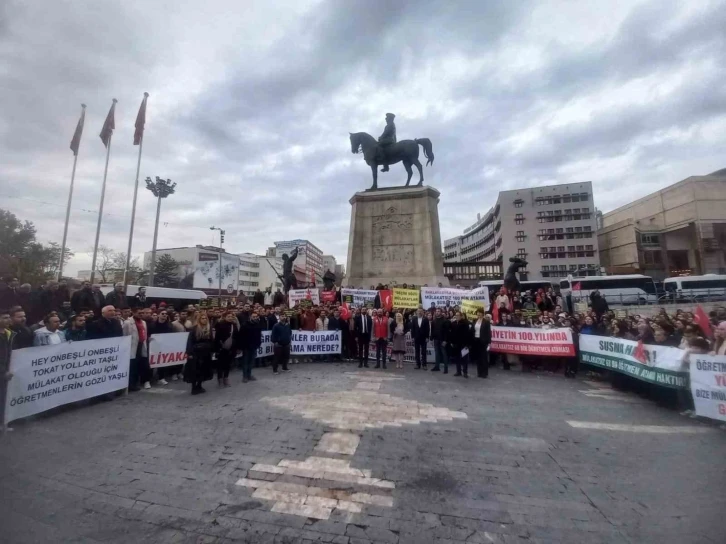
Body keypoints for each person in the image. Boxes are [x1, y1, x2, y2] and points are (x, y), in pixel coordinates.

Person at [184, 312, 214, 395]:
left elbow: (211, 340)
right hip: (195, 352)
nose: (204, 320)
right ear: (199, 319)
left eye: (205, 318)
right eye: (202, 318)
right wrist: (189, 353)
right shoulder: (194, 329)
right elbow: (190, 341)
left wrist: (211, 349)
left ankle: (200, 385)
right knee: (195, 370)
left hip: (205, 352)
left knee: (203, 369)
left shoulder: (208, 328)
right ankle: (194, 387)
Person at [123, 307, 151, 391]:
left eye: (142, 313)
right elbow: (125, 335)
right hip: (132, 346)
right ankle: (131, 385)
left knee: (140, 364)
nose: (141, 315)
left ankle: (136, 382)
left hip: (141, 344)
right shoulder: (128, 322)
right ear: (134, 313)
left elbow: (144, 333)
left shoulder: (144, 322)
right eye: (139, 313)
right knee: (132, 366)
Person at [214, 311, 238, 387]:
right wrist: (218, 348)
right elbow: (216, 338)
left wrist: (236, 347)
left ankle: (226, 378)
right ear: (224, 317)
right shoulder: (219, 325)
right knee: (220, 365)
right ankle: (220, 380)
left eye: (231, 317)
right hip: (222, 348)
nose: (230, 318)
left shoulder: (234, 325)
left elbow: (236, 336)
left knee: (228, 365)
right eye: (228, 316)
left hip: (231, 348)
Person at [1, 309, 16, 433]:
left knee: (3, 398)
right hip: (2, 372)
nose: (8, 320)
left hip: (6, 371)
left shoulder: (9, 333)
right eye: (4, 318)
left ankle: (3, 424)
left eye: (8, 317)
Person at [239, 310, 262, 383]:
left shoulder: (258, 324)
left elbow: (259, 336)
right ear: (250, 317)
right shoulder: (245, 325)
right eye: (253, 316)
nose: (255, 318)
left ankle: (249, 374)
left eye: (256, 317)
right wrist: (241, 346)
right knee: (245, 362)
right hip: (246, 346)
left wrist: (258, 344)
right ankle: (245, 376)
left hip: (254, 346)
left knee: (251, 361)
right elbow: (241, 336)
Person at [450, 311, 472, 378]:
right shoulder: (453, 323)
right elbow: (452, 334)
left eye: (458, 315)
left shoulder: (465, 323)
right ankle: (458, 371)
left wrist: (467, 344)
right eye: (456, 315)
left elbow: (468, 334)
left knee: (465, 359)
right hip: (456, 344)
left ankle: (465, 372)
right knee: (457, 358)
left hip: (464, 344)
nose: (457, 316)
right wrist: (452, 342)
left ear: (461, 316)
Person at [470, 309, 491, 378]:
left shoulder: (486, 322)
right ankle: (479, 372)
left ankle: (485, 373)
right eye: (477, 313)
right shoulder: (475, 321)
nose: (478, 314)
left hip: (483, 341)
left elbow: (488, 333)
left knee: (483, 357)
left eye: (480, 313)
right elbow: (472, 330)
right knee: (478, 357)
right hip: (476, 340)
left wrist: (489, 342)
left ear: (482, 314)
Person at [430, 307, 451, 373]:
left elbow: (446, 332)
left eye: (439, 311)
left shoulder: (445, 321)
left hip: (442, 340)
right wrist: (431, 339)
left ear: (441, 312)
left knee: (444, 354)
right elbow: (432, 330)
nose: (437, 312)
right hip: (436, 339)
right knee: (437, 354)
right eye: (436, 311)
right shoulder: (434, 321)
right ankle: (437, 367)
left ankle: (446, 368)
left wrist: (445, 340)